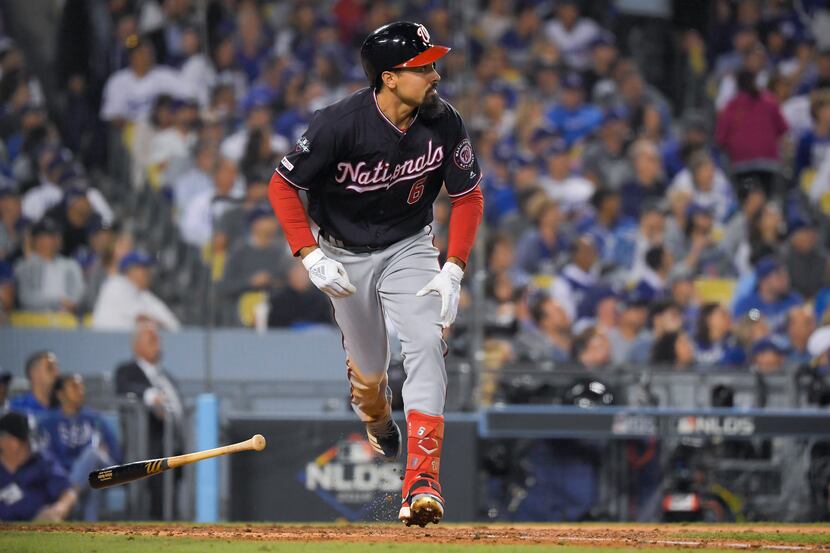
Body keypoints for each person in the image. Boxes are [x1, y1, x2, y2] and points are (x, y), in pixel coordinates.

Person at [268, 22, 484, 527]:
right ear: (388, 77)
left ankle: (422, 480)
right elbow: (282, 187)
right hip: (343, 256)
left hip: (409, 246)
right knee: (369, 377)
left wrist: (453, 267)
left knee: (427, 344)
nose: (435, 74)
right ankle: (376, 416)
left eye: (433, 64)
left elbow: (468, 196)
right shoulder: (337, 124)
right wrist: (309, 254)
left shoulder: (444, 121)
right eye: (422, 67)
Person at [114, 320, 183, 519]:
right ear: (136, 345)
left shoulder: (167, 377)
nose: (157, 343)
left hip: (172, 449)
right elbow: (125, 386)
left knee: (169, 507)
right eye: (151, 339)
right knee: (145, 511)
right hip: (145, 451)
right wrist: (150, 396)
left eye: (158, 339)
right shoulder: (127, 370)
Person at [38, 374, 121, 520]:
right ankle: (89, 528)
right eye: (74, 386)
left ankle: (66, 501)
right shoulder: (48, 423)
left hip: (103, 469)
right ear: (60, 394)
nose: (80, 390)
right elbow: (46, 457)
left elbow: (115, 454)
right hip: (70, 475)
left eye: (81, 386)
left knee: (93, 454)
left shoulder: (96, 419)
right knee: (93, 481)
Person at [0, 411, 77, 521]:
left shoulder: (41, 461)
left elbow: (68, 492)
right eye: (22, 442)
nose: (29, 446)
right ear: (3, 441)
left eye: (29, 440)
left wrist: (58, 509)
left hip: (42, 528)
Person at [91, 250, 180, 331]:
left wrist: (159, 323)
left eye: (148, 268)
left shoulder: (145, 295)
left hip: (123, 344)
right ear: (129, 270)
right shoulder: (115, 284)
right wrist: (158, 323)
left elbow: (174, 326)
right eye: (143, 268)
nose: (148, 272)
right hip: (103, 343)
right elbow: (142, 318)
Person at [14, 218, 85, 313]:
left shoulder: (71, 265)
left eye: (56, 235)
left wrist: (70, 304)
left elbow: (79, 294)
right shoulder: (23, 266)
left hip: (66, 319)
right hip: (33, 320)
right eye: (48, 236)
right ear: (35, 240)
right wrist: (58, 301)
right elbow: (25, 298)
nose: (54, 239)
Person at [9, 351, 59, 416]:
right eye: (50, 368)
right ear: (34, 374)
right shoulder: (14, 409)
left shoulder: (65, 407)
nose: (56, 373)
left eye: (57, 368)